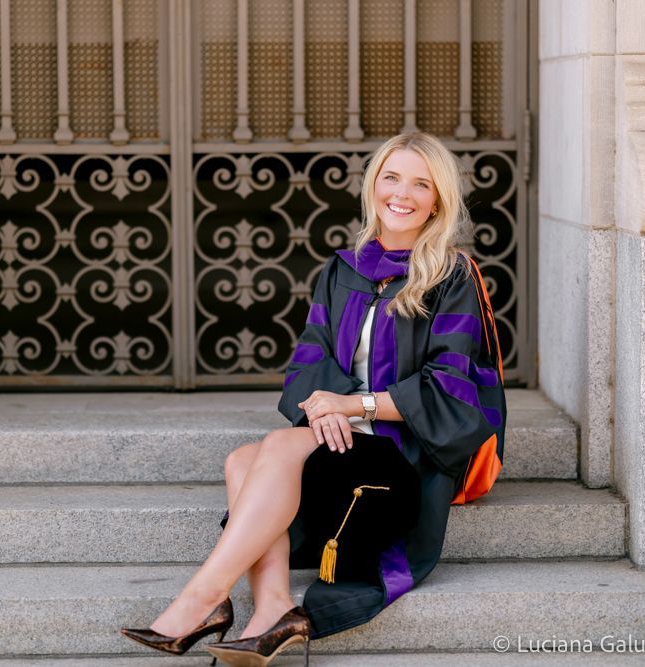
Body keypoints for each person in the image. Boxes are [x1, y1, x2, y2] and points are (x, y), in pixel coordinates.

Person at [121, 132, 507, 666]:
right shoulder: (343, 269)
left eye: (421, 184)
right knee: (243, 458)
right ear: (373, 186)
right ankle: (272, 609)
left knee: (276, 447)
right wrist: (327, 409)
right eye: (391, 178)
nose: (403, 193)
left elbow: (451, 386)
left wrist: (355, 406)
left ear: (437, 200)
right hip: (344, 440)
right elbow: (309, 360)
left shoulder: (451, 276)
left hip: (407, 452)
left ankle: (204, 597)